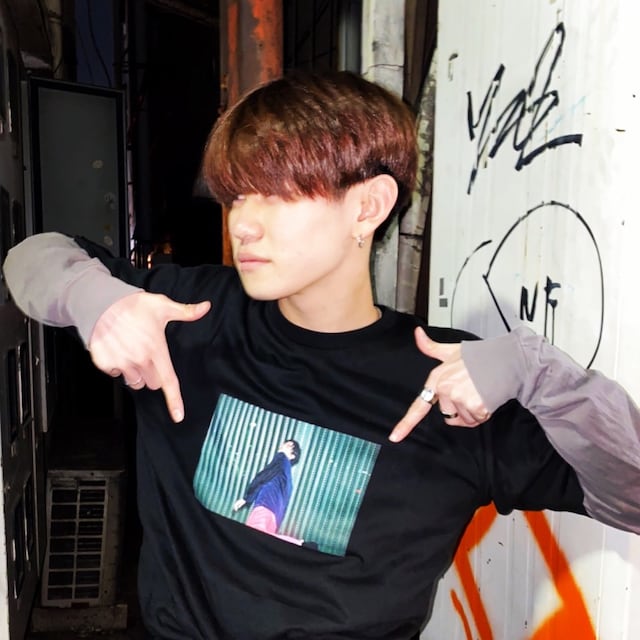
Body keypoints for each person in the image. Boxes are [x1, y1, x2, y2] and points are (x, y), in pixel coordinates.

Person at [3, 70, 639, 640]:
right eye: (236, 195)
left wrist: (534, 371)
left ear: (368, 207)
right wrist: (94, 299)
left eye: (276, 194)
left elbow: (632, 498)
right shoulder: (187, 314)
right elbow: (30, 256)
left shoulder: (448, 382)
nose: (242, 223)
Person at [232, 439, 307, 545]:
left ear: (291, 450)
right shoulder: (289, 479)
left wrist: (246, 497)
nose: (281, 445)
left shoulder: (281, 458)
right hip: (275, 517)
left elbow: (264, 476)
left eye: (286, 444)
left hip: (265, 505)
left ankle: (299, 544)